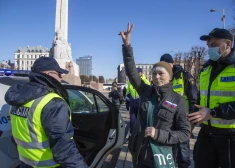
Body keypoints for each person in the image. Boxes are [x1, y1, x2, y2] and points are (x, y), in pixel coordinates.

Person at [119, 22, 190, 168]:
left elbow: (184, 133)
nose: (157, 77)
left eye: (161, 73)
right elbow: (131, 72)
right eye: (154, 74)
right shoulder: (146, 91)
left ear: (169, 76)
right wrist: (127, 46)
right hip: (140, 154)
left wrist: (158, 134)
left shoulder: (178, 101)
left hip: (162, 157)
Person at [5, 57, 88, 168]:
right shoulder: (53, 102)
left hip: (25, 162)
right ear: (49, 74)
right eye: (59, 74)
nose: (61, 78)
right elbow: (64, 149)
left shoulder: (18, 100)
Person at [188, 28, 235, 168]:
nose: (210, 49)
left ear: (227, 44)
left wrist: (213, 112)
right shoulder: (206, 69)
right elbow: (200, 99)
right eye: (208, 46)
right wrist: (192, 119)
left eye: (214, 45)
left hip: (231, 137)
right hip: (207, 134)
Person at [160, 53, 198, 168]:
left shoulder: (184, 76)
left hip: (183, 119)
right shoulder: (163, 77)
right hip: (168, 119)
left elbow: (194, 98)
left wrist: (191, 120)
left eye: (166, 64)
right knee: (170, 151)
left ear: (171, 64)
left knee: (183, 151)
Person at [126, 68, 150, 134]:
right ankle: (132, 135)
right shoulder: (130, 82)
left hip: (141, 105)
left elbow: (148, 95)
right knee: (132, 121)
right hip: (133, 105)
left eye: (138, 72)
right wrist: (127, 102)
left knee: (141, 122)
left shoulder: (146, 82)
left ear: (141, 73)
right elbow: (128, 93)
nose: (136, 74)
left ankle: (141, 137)